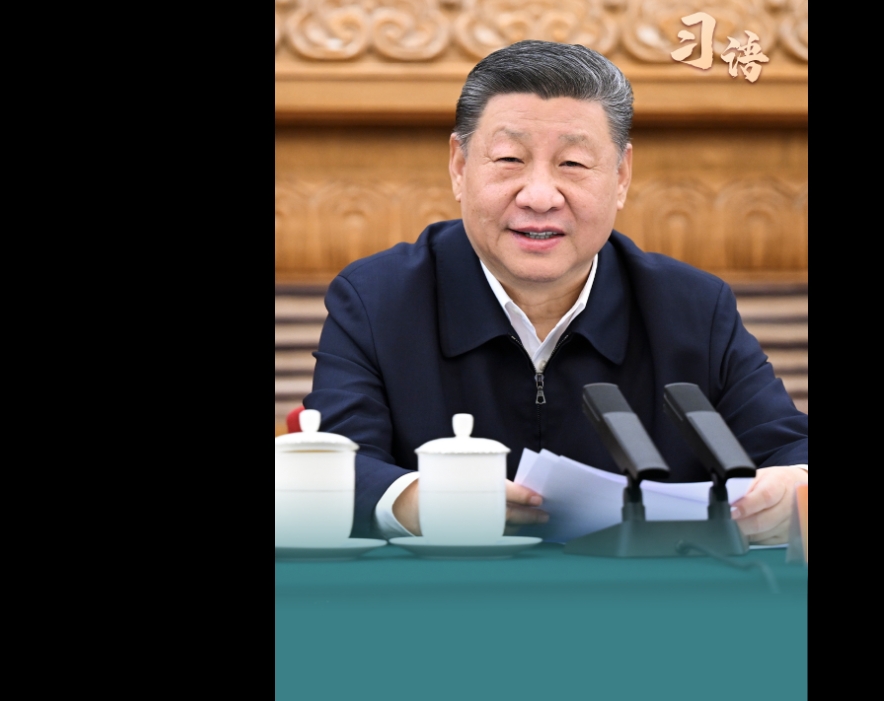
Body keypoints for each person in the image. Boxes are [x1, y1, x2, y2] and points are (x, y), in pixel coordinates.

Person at [304, 40, 807, 545]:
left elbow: (789, 448)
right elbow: (333, 464)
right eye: (509, 159)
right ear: (459, 167)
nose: (540, 197)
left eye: (573, 164)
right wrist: (419, 501)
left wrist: (790, 492)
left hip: (647, 591)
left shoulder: (694, 308)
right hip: (448, 588)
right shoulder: (376, 300)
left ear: (621, 177)